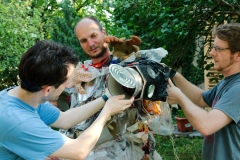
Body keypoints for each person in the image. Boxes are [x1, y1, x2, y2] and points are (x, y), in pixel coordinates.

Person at [0, 40, 134, 160]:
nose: (68, 86)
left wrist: (106, 97)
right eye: (66, 84)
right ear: (48, 90)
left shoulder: (24, 95)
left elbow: (65, 119)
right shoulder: (18, 121)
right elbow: (78, 151)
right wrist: (106, 113)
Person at [69, 16, 172, 160]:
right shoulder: (80, 76)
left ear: (104, 34)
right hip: (98, 154)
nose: (90, 43)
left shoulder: (131, 65)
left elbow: (155, 108)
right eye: (83, 40)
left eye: (93, 36)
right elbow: (71, 119)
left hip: (135, 151)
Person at [167, 23, 240, 160]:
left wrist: (180, 98)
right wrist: (172, 74)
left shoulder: (237, 88)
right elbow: (200, 98)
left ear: (238, 56)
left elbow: (206, 126)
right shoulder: (228, 81)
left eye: (218, 49)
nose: (212, 53)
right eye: (213, 47)